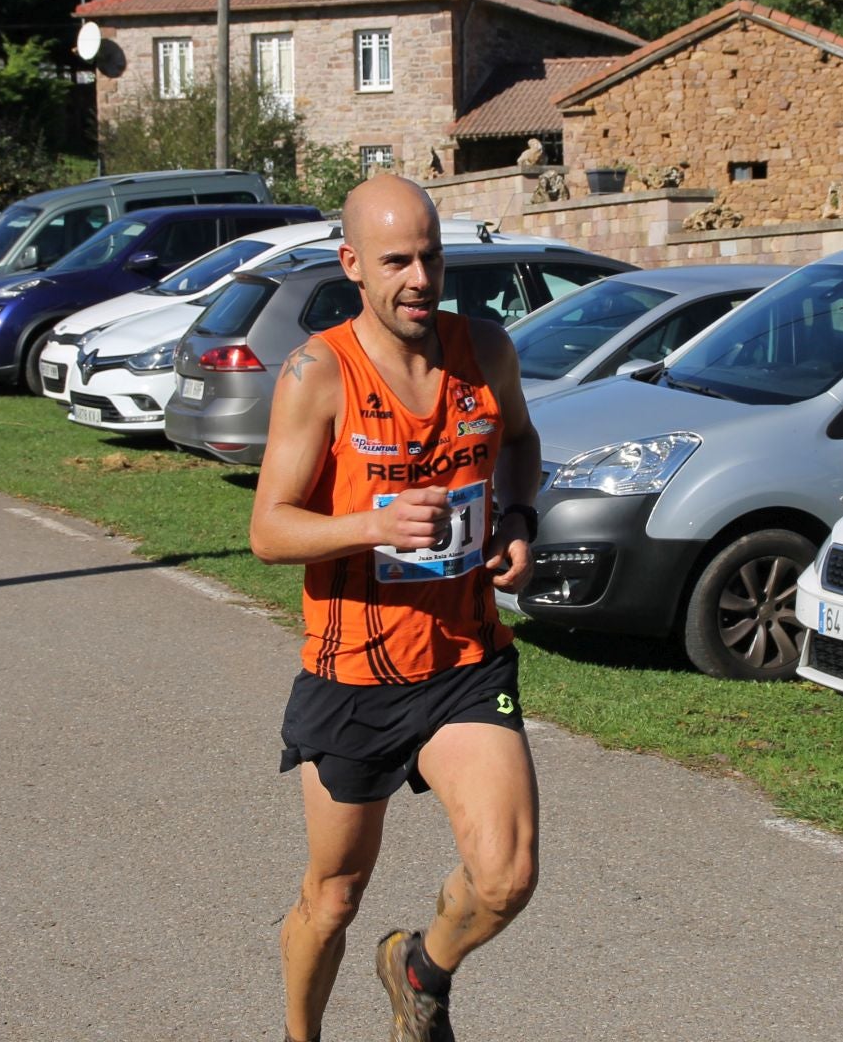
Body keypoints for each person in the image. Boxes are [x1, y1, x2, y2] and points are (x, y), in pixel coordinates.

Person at [249, 174, 541, 1042]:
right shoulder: (316, 373)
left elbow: (519, 442)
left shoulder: (484, 350)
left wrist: (519, 518)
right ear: (352, 266)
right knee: (334, 897)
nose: (419, 278)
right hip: (354, 674)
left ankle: (420, 967)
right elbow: (268, 528)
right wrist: (369, 523)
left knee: (506, 875)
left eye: (431, 256)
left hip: (463, 656)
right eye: (396, 262)